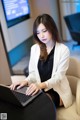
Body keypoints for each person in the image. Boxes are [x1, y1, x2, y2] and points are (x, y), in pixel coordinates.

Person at [10, 14, 73, 108]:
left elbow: (58, 77)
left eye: (44, 31)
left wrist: (40, 86)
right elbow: (33, 74)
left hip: (57, 91)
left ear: (52, 29)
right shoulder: (34, 49)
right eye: (38, 32)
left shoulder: (63, 50)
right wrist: (25, 81)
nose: (41, 36)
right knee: (22, 103)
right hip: (40, 88)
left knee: (40, 106)